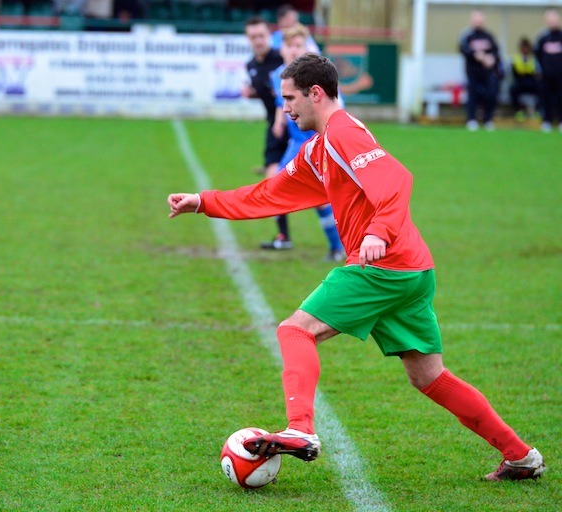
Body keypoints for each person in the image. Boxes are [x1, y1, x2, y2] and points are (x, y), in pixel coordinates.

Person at [168, 53, 547, 481]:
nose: (285, 108)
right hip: (413, 271)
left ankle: (301, 430)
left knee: (295, 330)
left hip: (383, 267)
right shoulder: (317, 150)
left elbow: (397, 179)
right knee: (429, 376)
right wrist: (204, 202)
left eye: (290, 98)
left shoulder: (344, 132)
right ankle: (520, 456)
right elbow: (269, 194)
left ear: (316, 93)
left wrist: (378, 232)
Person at [270, 23, 344, 262]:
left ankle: (337, 247)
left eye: (298, 46)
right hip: (295, 144)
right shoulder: (278, 76)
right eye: (289, 46)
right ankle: (284, 235)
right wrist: (278, 121)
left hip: (317, 142)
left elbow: (337, 105)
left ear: (305, 48)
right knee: (275, 187)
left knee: (321, 199)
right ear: (283, 49)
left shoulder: (316, 79)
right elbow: (282, 104)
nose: (293, 50)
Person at [241, 16, 291, 250]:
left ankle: (339, 238)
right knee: (272, 181)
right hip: (273, 125)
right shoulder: (251, 65)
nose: (257, 40)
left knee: (316, 184)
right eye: (253, 37)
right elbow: (266, 93)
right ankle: (283, 236)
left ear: (268, 36)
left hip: (295, 125)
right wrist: (250, 93)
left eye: (261, 35)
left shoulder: (283, 57)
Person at [458, 10, 504, 131]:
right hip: (472, 72)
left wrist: (491, 58)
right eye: (475, 20)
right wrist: (476, 55)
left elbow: (496, 51)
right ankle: (471, 119)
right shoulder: (467, 35)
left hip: (487, 73)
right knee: (472, 95)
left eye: (480, 19)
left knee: (490, 94)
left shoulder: (488, 36)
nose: (478, 22)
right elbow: (463, 49)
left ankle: (488, 120)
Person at [534, 8, 562, 133]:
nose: (553, 22)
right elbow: (537, 55)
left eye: (554, 19)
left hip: (560, 75)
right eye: (550, 19)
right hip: (546, 75)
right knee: (546, 98)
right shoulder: (542, 37)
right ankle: (547, 121)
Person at [509, 37, 541, 120]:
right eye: (523, 47)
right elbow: (514, 72)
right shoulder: (516, 58)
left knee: (542, 89)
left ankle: (538, 110)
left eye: (527, 47)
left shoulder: (533, 58)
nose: (525, 49)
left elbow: (537, 72)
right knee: (513, 90)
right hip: (520, 80)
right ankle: (519, 110)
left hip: (531, 80)